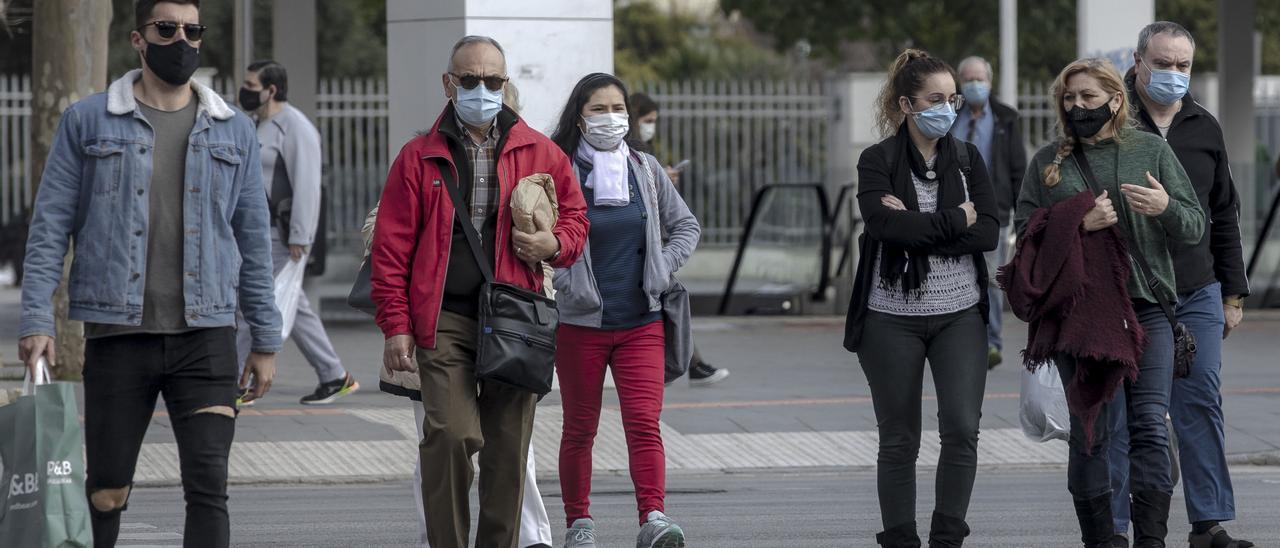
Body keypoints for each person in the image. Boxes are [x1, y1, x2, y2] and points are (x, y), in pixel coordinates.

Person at [16, 0, 279, 546]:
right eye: (167, 28)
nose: (181, 40)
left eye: (191, 29)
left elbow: (253, 240)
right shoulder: (88, 120)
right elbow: (49, 228)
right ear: (139, 39)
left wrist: (266, 337)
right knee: (107, 490)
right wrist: (36, 318)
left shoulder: (233, 131)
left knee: (209, 487)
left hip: (206, 337)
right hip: (118, 335)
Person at [370, 35, 588, 548]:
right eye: (470, 80)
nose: (483, 90)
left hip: (516, 316)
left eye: (493, 81)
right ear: (449, 84)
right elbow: (391, 249)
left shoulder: (539, 148)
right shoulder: (418, 156)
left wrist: (552, 242)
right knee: (450, 434)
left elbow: (578, 220)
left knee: (508, 452)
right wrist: (396, 325)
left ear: (505, 84)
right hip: (443, 317)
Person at [1012, 58, 1204, 548]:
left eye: (1088, 97)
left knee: (1149, 427)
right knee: (1092, 427)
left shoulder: (1149, 150)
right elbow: (1027, 235)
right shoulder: (1047, 163)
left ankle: (1151, 539)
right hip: (1081, 314)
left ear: (1116, 100)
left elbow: (1195, 225)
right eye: (1069, 98)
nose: (1078, 106)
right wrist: (1077, 221)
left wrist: (1165, 208)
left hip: (1147, 310)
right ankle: (1102, 539)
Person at [842, 48, 999, 547]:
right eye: (936, 99)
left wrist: (919, 228)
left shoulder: (969, 159)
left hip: (960, 315)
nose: (948, 107)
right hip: (890, 317)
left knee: (960, 427)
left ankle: (947, 536)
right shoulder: (878, 160)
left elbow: (990, 232)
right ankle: (901, 539)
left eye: (953, 98)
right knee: (899, 438)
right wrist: (957, 220)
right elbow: (884, 225)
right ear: (907, 105)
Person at [1106, 22, 1253, 548]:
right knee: (1125, 411)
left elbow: (1224, 213)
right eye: (1162, 63)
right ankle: (1116, 526)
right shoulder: (1112, 122)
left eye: (1182, 65)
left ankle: (1208, 522)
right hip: (1130, 293)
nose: (1173, 74)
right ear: (1138, 62)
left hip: (1196, 289)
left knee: (1200, 402)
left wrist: (1232, 294)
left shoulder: (1203, 126)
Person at [549, 73, 700, 548]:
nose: (611, 118)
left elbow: (686, 227)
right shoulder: (559, 171)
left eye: (618, 109)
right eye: (599, 109)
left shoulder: (646, 169)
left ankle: (654, 518)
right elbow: (540, 238)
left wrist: (661, 265)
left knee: (643, 423)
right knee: (579, 428)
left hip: (642, 322)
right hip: (581, 324)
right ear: (580, 116)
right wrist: (564, 277)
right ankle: (580, 524)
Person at [235, 60, 358, 406]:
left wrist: (300, 238)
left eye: (251, 84)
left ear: (271, 90)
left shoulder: (296, 128)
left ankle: (232, 383)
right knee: (294, 305)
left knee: (251, 303)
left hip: (281, 236)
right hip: (258, 233)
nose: (244, 91)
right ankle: (334, 375)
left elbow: (307, 187)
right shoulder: (259, 124)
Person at [630, 91, 729, 387]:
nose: (651, 127)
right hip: (643, 248)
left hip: (656, 248)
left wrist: (664, 260)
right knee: (668, 307)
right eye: (648, 121)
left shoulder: (645, 154)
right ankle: (691, 364)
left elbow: (686, 225)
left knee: (669, 303)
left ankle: (690, 364)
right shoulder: (631, 152)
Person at [949, 56, 1027, 369]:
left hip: (993, 210)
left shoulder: (1006, 118)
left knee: (990, 277)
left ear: (990, 82)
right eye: (967, 79)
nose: (974, 85)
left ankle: (991, 342)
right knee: (958, 274)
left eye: (979, 79)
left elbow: (1017, 166)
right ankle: (960, 339)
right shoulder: (951, 115)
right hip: (953, 208)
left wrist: (1021, 211)